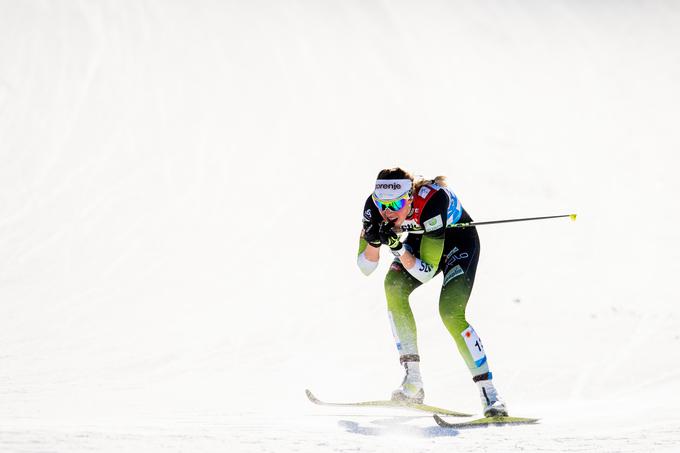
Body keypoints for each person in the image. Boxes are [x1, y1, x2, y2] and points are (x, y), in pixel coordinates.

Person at [357, 167, 508, 417]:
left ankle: (490, 395)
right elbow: (365, 267)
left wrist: (396, 247)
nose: (387, 211)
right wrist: (374, 241)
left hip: (458, 242)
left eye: (395, 203)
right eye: (382, 203)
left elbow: (425, 271)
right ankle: (413, 383)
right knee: (393, 285)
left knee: (450, 312)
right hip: (421, 239)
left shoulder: (432, 199)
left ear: (409, 198)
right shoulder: (373, 209)